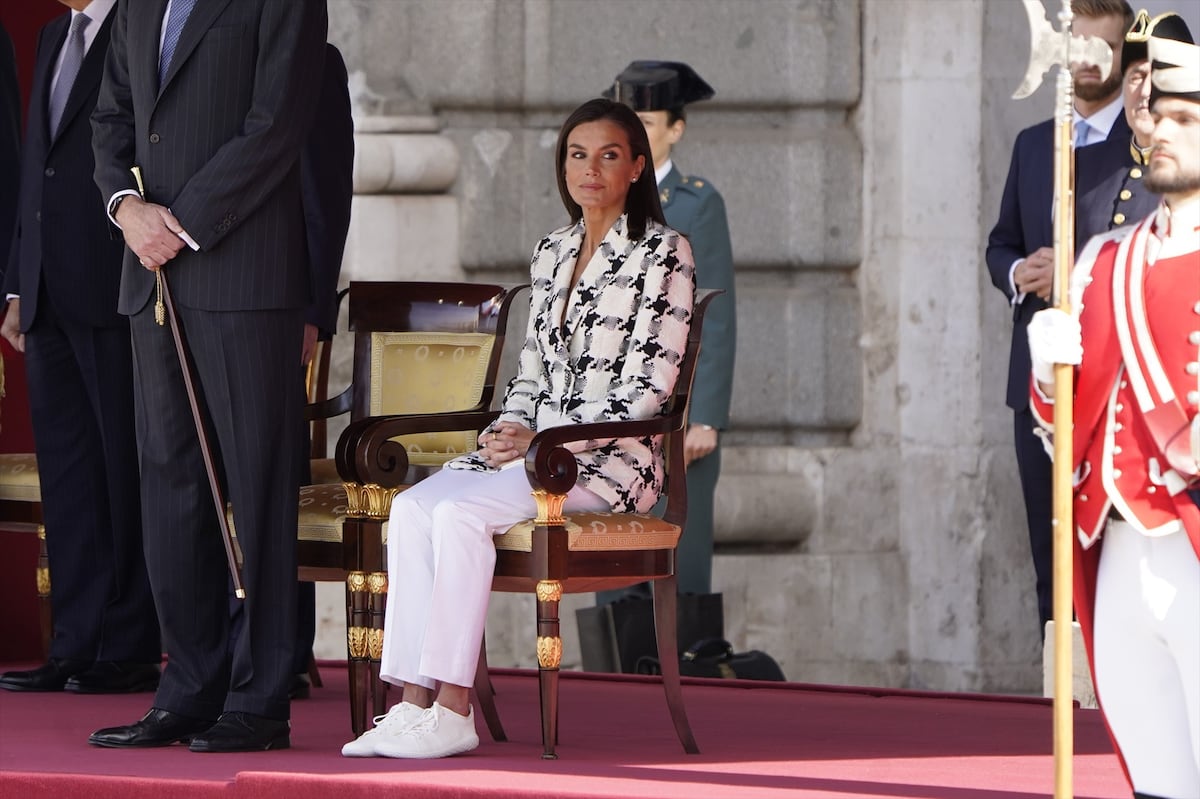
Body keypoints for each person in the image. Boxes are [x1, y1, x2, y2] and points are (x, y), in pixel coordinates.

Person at [340, 97, 695, 760]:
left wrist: (541, 441)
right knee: (414, 508)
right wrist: (510, 426)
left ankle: (453, 706)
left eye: (609, 155)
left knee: (459, 515)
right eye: (577, 154)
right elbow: (532, 371)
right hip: (532, 456)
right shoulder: (552, 250)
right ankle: (411, 704)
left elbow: (648, 392)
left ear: (638, 166)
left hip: (606, 467)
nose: (590, 169)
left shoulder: (663, 252)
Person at [86, 0, 327, 753]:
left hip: (242, 273)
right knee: (170, 486)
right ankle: (187, 688)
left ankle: (259, 698)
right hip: (150, 275)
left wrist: (180, 221)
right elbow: (112, 120)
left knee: (257, 487)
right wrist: (127, 210)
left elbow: (275, 127)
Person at [1026, 19, 1199, 797]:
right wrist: (1047, 371)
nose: (1160, 128)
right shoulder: (1104, 261)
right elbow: (1068, 424)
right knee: (1158, 780)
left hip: (1193, 541)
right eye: (1157, 113)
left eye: (1186, 118)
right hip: (1118, 547)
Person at [0, 0, 161, 696]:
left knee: (120, 473)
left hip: (108, 287)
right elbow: (34, 168)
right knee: (67, 480)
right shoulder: (51, 33)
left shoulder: (138, 24)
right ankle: (72, 643)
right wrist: (14, 283)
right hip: (43, 295)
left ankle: (126, 646)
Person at [985, 0, 1136, 633]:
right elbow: (1001, 245)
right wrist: (1023, 275)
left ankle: (1115, 710)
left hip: (1113, 388)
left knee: (1114, 557)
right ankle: (1058, 708)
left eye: (1100, 50)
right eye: (1077, 48)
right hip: (1038, 384)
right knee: (1051, 557)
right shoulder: (1030, 144)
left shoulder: (1147, 151)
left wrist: (1077, 275)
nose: (1084, 63)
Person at [604, 60, 736, 597]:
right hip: (607, 411)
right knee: (605, 560)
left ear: (675, 130)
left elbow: (716, 313)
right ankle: (611, 681)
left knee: (676, 561)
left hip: (674, 413)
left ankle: (683, 678)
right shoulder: (598, 197)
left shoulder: (698, 203)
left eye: (649, 122)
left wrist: (704, 416)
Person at [1076, 8, 1179, 235]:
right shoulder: (1087, 163)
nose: (1145, 91)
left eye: (1156, 76)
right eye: (1136, 77)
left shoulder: (1191, 169)